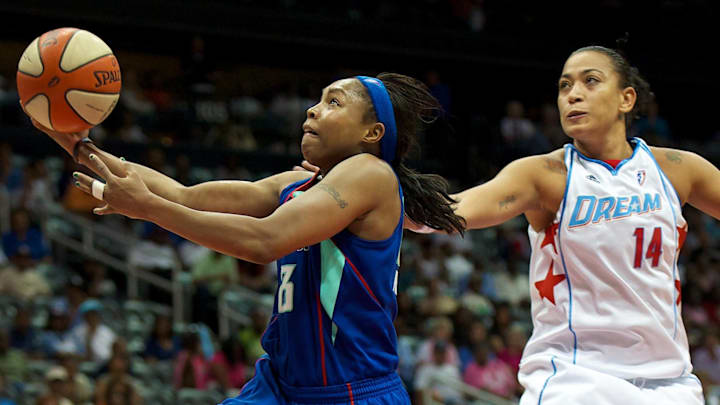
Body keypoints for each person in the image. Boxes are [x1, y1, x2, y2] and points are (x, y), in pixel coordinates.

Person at [25, 72, 466, 404]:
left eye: (334, 103)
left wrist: (146, 208)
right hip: (280, 385)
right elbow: (184, 195)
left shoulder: (371, 173)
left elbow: (264, 241)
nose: (312, 109)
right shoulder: (298, 184)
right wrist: (78, 145)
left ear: (372, 133)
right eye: (317, 100)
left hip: (351, 391)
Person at [410, 45, 720, 403]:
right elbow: (452, 211)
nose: (573, 94)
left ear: (626, 99)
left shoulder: (677, 170)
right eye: (564, 86)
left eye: (590, 81)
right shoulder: (544, 175)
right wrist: (376, 195)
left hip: (670, 383)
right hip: (577, 379)